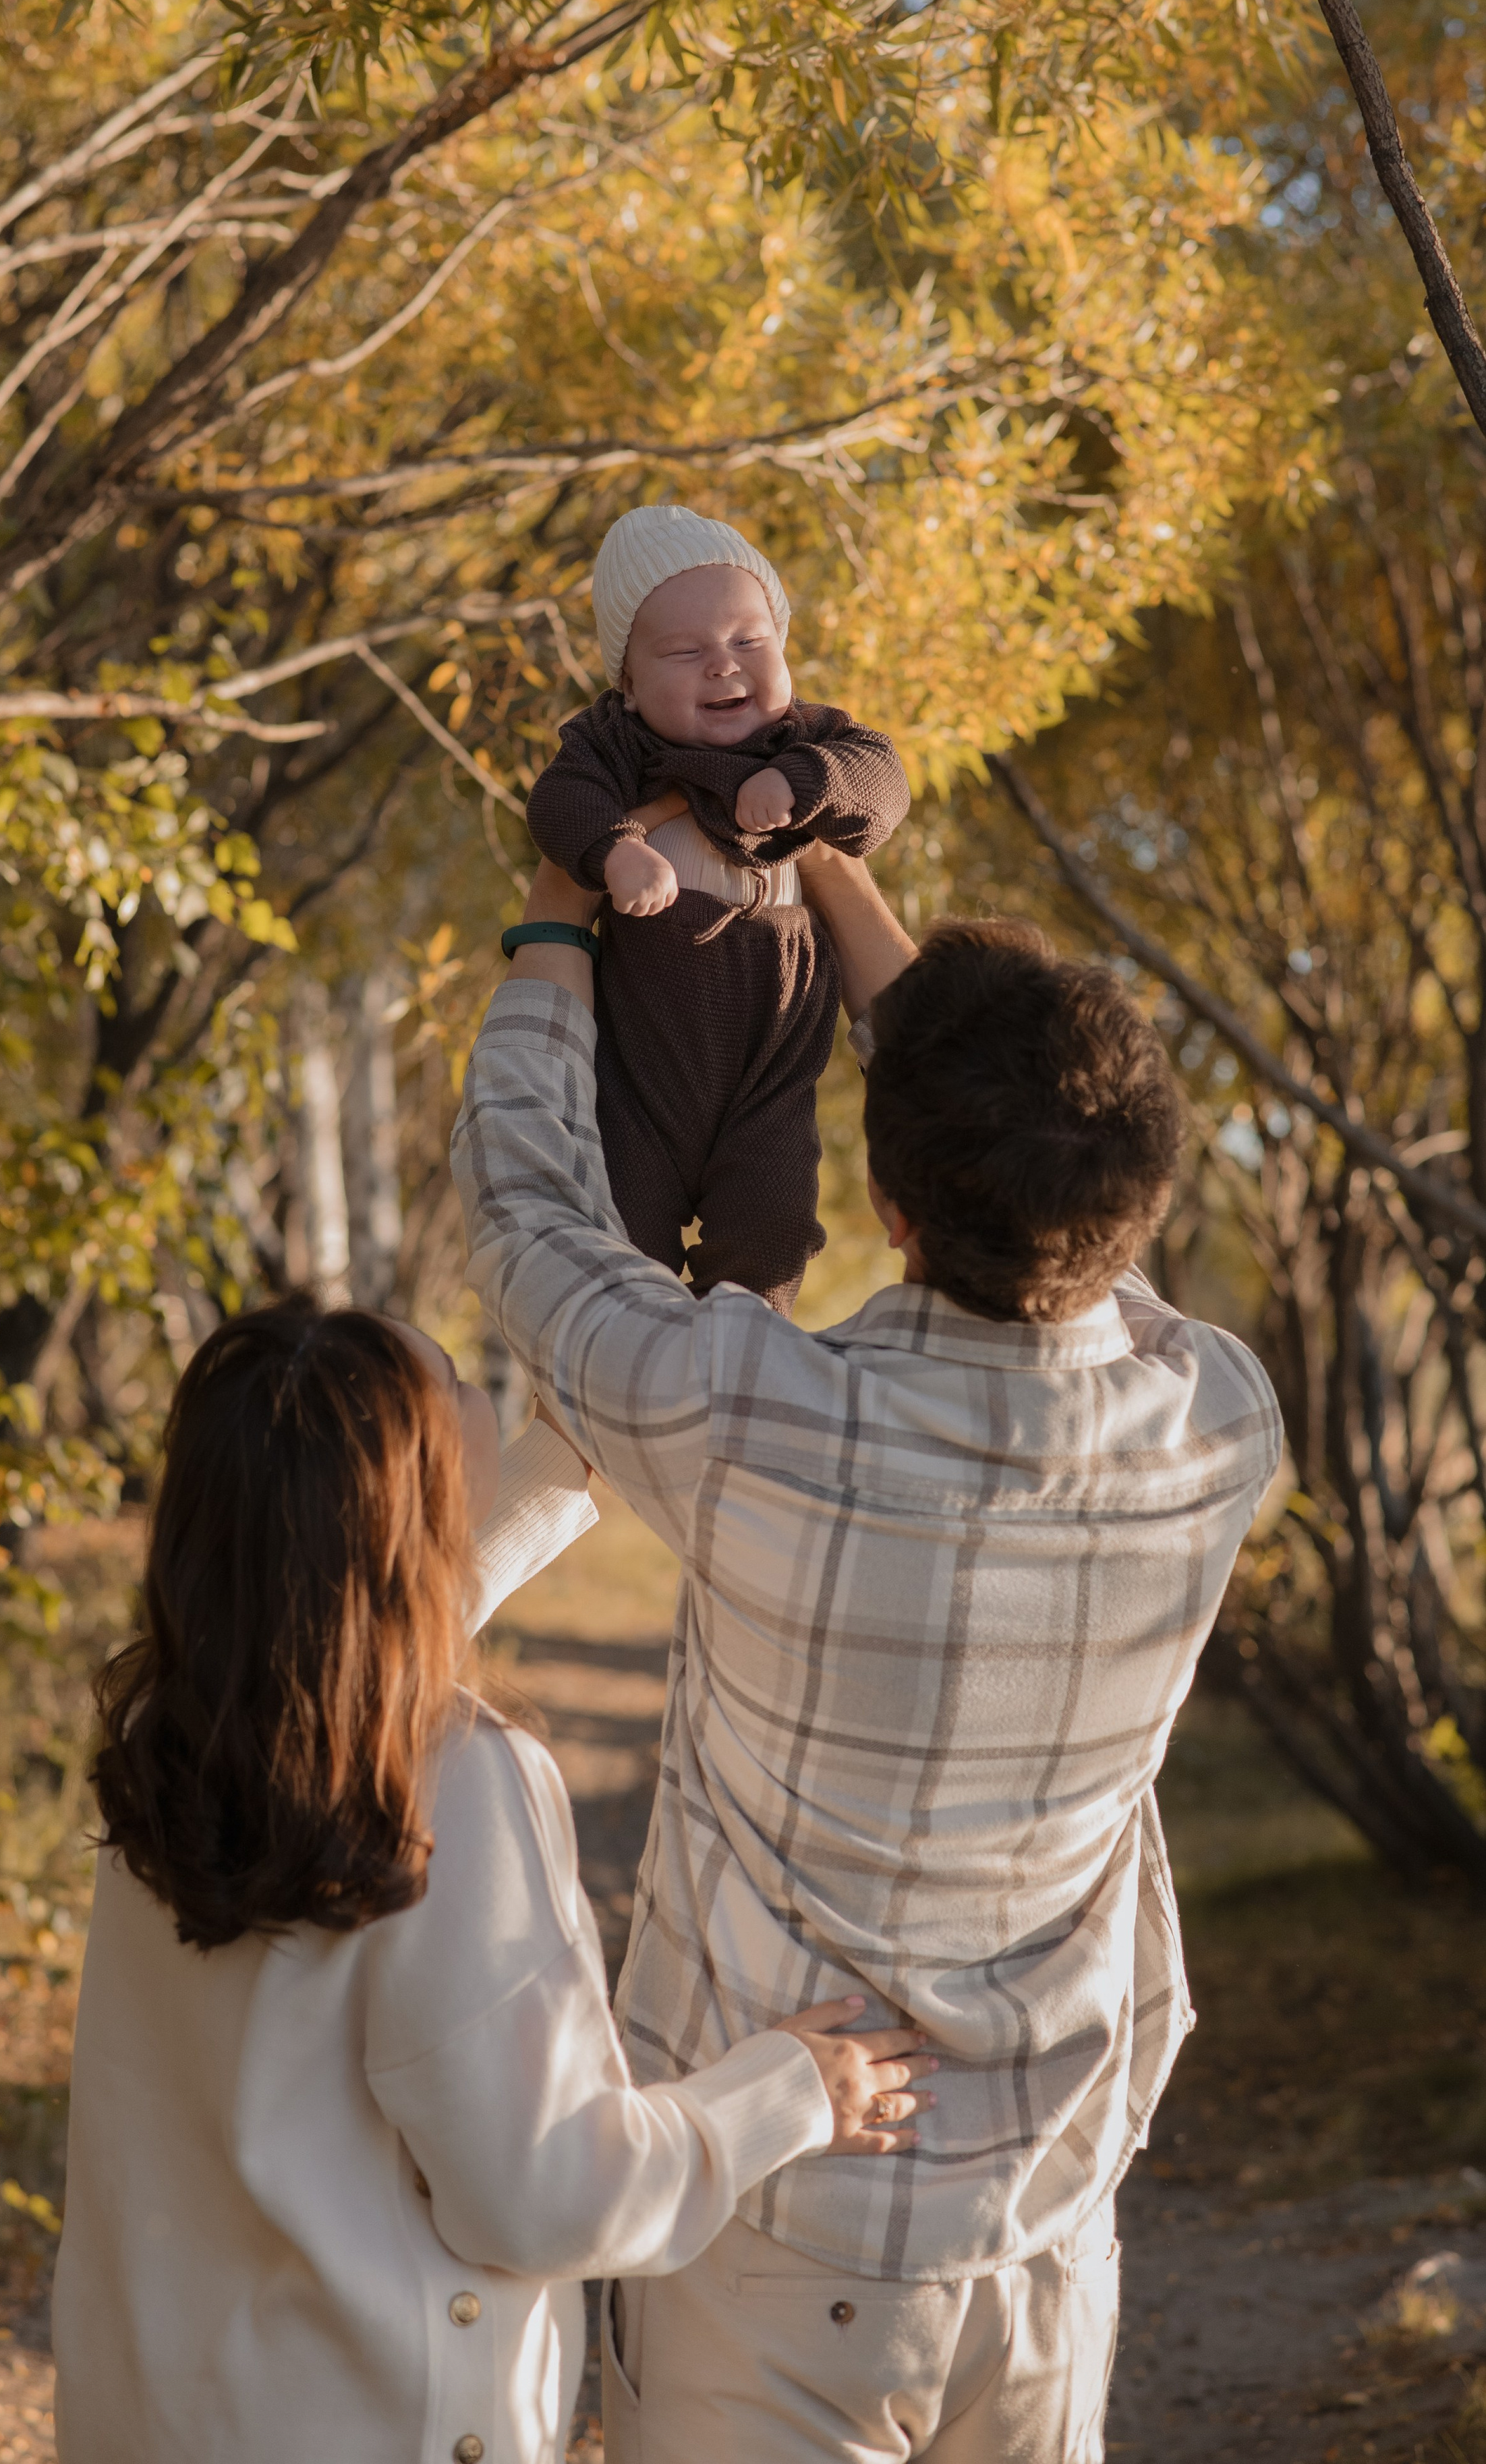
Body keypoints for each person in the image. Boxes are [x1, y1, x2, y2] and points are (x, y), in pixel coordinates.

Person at [451, 851, 1284, 2464]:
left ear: (887, 1210)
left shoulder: (752, 1417)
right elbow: (1078, 1214)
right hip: (1043, 2238)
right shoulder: (1215, 1424)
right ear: (1136, 1203)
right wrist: (838, 880)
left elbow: (527, 1212)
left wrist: (559, 918)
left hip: (766, 2234)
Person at [51, 1294, 935, 2464]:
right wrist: (791, 2092)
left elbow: (348, 1627)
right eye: (457, 1394)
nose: (480, 1396)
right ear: (415, 1504)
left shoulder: (186, 1729)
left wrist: (570, 1460)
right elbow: (552, 2192)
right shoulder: (454, 1788)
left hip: (166, 2420)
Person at [523, 504, 909, 1311]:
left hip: (774, 1045)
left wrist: (803, 784)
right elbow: (559, 803)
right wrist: (616, 851)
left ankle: (748, 1355)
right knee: (624, 1229)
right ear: (626, 684)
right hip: (645, 1053)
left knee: (771, 1224)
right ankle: (635, 1362)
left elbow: (883, 783)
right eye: (683, 652)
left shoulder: (806, 739)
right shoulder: (614, 746)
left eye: (749, 642)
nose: (722, 667)